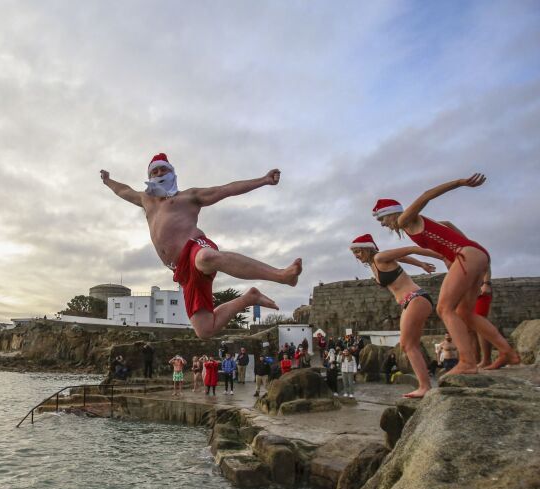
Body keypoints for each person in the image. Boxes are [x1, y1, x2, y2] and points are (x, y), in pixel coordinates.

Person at [100, 154, 302, 339]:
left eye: (164, 170)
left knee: (206, 257)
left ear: (173, 173)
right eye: (155, 171)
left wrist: (264, 180)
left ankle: (282, 275)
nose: (159, 174)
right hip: (181, 269)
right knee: (205, 330)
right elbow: (123, 190)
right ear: (149, 176)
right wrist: (108, 181)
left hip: (195, 247)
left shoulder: (189, 197)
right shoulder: (146, 200)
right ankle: (250, 297)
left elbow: (226, 189)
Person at [372, 177, 520, 374]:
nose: (382, 224)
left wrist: (460, 183)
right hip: (476, 254)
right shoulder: (417, 224)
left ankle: (467, 362)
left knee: (444, 308)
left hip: (466, 256)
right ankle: (506, 351)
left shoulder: (403, 219)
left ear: (391, 213)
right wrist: (462, 247)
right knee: (465, 313)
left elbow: (426, 196)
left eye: (382, 218)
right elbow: (447, 224)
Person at [350, 233, 438, 398]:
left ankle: (424, 386)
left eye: (359, 251)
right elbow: (403, 259)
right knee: (410, 345)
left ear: (368, 249)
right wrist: (420, 264)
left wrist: (443, 256)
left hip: (415, 298)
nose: (357, 256)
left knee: (407, 345)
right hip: (409, 302)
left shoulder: (380, 257)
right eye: (354, 253)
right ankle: (425, 385)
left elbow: (410, 250)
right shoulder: (373, 264)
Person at [474, 268, 495, 368]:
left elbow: (485, 265)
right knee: (469, 326)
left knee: (480, 321)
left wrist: (486, 283)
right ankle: (476, 359)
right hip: (466, 288)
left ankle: (486, 360)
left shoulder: (474, 252)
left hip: (480, 287)